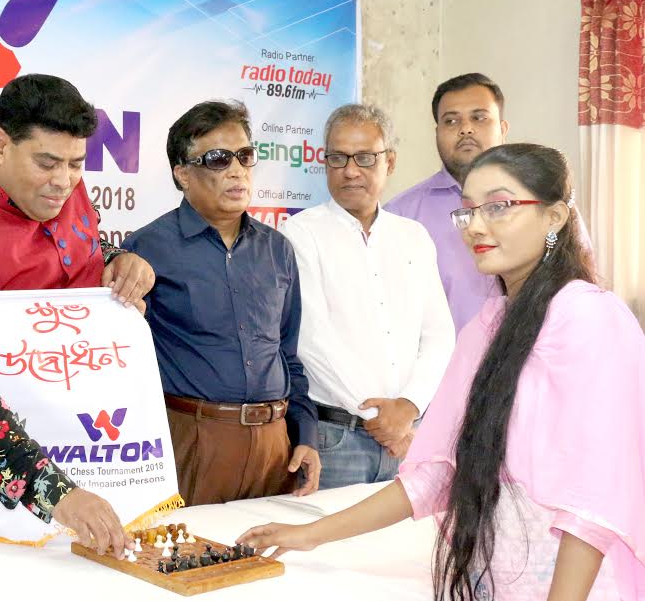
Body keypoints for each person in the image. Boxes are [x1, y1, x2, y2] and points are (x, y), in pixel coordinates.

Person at [240, 144, 644, 601]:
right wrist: (309, 534)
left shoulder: (590, 318)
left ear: (553, 217)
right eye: (469, 210)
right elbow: (436, 475)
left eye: (499, 206)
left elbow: (593, 496)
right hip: (491, 580)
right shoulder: (488, 325)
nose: (476, 226)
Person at [0, 74, 154, 557]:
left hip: (92, 459)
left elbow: (84, 250)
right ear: (0, 146)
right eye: (47, 163)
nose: (64, 181)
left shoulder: (63, 190)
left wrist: (119, 262)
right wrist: (58, 494)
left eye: (76, 164)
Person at [121, 100, 320, 505]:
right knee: (190, 547)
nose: (237, 170)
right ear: (183, 174)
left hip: (275, 447)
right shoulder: (146, 250)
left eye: (245, 156)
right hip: (192, 441)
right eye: (218, 159)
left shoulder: (277, 249)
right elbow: (124, 364)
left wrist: (306, 434)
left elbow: (287, 354)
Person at [279, 104, 453, 489]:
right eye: (338, 157)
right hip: (336, 442)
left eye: (365, 157)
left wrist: (408, 407)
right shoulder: (300, 234)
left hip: (412, 436)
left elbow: (439, 335)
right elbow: (310, 339)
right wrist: (383, 421)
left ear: (389, 161)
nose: (350, 170)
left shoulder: (414, 237)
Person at [386, 73, 508, 333]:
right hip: (443, 360)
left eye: (479, 117)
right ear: (437, 133)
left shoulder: (543, 205)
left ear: (503, 129)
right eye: (451, 121)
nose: (466, 129)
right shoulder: (399, 217)